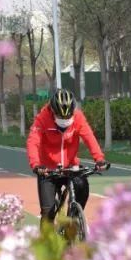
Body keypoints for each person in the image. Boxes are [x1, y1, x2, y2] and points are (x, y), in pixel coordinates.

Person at [26, 88, 107, 226]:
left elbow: (89, 137)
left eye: (67, 117)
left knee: (82, 184)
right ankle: (48, 243)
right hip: (48, 170)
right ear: (52, 111)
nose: (64, 120)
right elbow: (33, 142)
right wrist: (36, 165)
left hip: (70, 166)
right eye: (60, 117)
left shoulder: (78, 117)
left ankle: (74, 218)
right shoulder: (42, 119)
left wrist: (99, 159)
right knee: (48, 213)